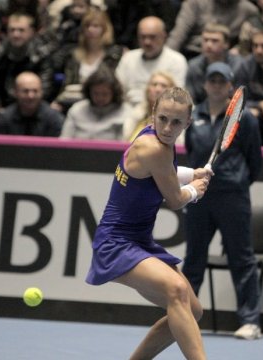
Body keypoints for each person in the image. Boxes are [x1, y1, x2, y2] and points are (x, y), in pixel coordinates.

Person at [86, 87, 212, 360]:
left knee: (194, 310)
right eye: (163, 118)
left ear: (187, 123)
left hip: (139, 241)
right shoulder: (154, 147)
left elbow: (164, 172)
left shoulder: (153, 142)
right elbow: (176, 199)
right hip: (116, 243)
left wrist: (194, 173)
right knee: (176, 290)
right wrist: (196, 190)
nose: (167, 127)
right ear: (153, 113)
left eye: (176, 122)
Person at [182, 62, 263, 340]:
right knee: (193, 259)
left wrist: (234, 181)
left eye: (221, 81)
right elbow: (193, 154)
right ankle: (185, 316)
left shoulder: (246, 119)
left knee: (241, 258)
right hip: (199, 198)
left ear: (230, 85)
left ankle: (250, 321)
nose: (216, 85)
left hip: (233, 198)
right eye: (211, 80)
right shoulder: (194, 116)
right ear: (205, 84)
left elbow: (255, 161)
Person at [0, 71, 64, 136]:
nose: (31, 96)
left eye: (35, 91)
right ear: (15, 92)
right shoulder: (4, 119)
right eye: (25, 91)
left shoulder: (54, 119)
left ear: (41, 92)